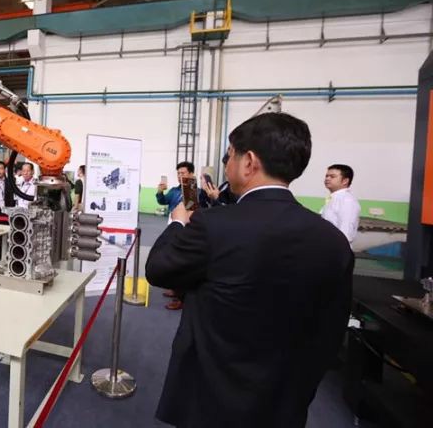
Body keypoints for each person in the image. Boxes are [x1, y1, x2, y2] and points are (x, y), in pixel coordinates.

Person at [145, 113, 353, 428]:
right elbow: (331, 331)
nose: (227, 165)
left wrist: (177, 223)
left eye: (230, 156)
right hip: (284, 400)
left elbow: (159, 269)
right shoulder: (333, 241)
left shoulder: (214, 226)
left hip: (211, 397)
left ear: (249, 162)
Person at [156, 161, 209, 310]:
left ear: (191, 174)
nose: (180, 176)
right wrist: (159, 192)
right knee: (172, 260)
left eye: (183, 173)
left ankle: (182, 298)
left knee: (183, 263)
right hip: (173, 227)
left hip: (188, 230)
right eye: (178, 173)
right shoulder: (174, 191)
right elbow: (162, 201)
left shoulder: (195, 191)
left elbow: (195, 211)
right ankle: (176, 289)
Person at [321, 164, 361, 245]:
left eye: (332, 176)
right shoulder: (334, 198)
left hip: (337, 249)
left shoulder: (347, 201)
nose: (327, 178)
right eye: (326, 176)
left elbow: (346, 234)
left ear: (345, 181)